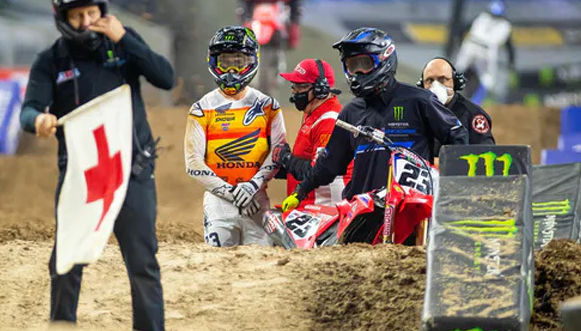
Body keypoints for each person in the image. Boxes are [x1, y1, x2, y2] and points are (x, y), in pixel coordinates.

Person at [20, 0, 174, 331]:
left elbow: (165, 78)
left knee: (142, 260)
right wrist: (38, 119)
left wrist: (126, 39)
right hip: (81, 175)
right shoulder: (51, 61)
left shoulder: (121, 43)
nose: (87, 22)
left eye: (92, 13)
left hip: (133, 170)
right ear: (63, 19)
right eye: (77, 16)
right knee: (66, 258)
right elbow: (28, 109)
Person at [282, 27, 469, 211]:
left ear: (384, 60)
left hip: (410, 210)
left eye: (364, 64)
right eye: (352, 66)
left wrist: (448, 185)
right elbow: (328, 165)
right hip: (361, 214)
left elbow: (457, 137)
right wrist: (301, 190)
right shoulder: (350, 113)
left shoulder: (420, 101)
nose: (357, 73)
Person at [184, 25, 286, 247]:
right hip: (220, 201)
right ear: (214, 62)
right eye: (225, 62)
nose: (232, 70)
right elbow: (193, 163)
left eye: (238, 62)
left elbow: (278, 153)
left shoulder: (269, 106)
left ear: (251, 61)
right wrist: (235, 193)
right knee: (217, 266)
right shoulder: (201, 108)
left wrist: (251, 187)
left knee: (261, 269)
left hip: (257, 200)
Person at [272, 58, 345, 207]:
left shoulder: (329, 121)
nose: (294, 91)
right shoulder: (312, 112)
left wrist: (286, 159)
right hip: (309, 206)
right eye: (294, 85)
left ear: (320, 89)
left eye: (300, 86)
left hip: (326, 209)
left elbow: (319, 172)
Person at [418, 57, 495, 148]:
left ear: (456, 82)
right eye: (429, 81)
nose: (435, 86)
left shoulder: (473, 115)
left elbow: (487, 155)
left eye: (443, 79)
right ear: (422, 86)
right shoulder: (415, 113)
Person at [455, 0, 516, 103]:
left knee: (457, 71)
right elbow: (509, 46)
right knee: (488, 80)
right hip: (487, 50)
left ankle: (444, 98)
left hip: (470, 44)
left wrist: (460, 44)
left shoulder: (481, 17)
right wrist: (511, 61)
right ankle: (475, 103)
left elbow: (461, 30)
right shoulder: (506, 25)